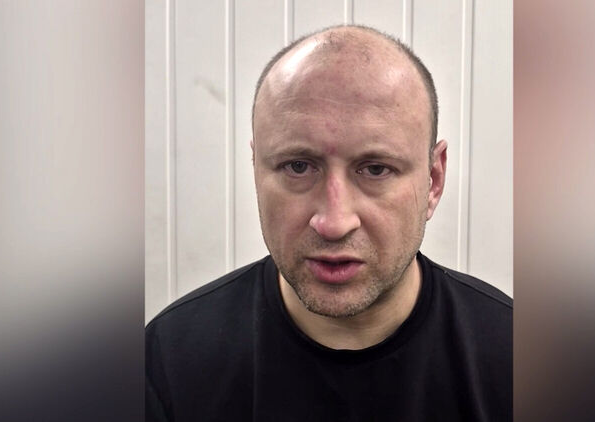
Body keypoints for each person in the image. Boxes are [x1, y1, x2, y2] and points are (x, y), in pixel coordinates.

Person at [146, 24, 512, 421]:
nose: (334, 223)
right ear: (255, 170)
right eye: (298, 166)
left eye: (375, 169)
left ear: (433, 181)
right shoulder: (169, 362)